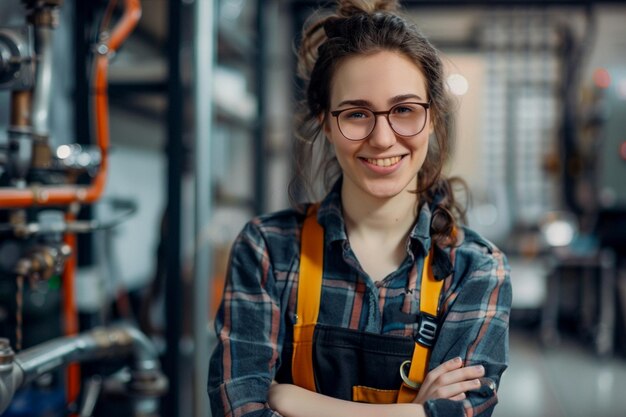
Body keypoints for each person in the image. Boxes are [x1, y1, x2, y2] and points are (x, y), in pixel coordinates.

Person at [208, 1, 512, 416]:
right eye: (356, 114)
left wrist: (289, 397)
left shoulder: (476, 269)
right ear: (327, 122)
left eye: (404, 110)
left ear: (433, 119)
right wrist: (416, 412)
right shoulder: (267, 251)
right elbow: (239, 406)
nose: (382, 138)